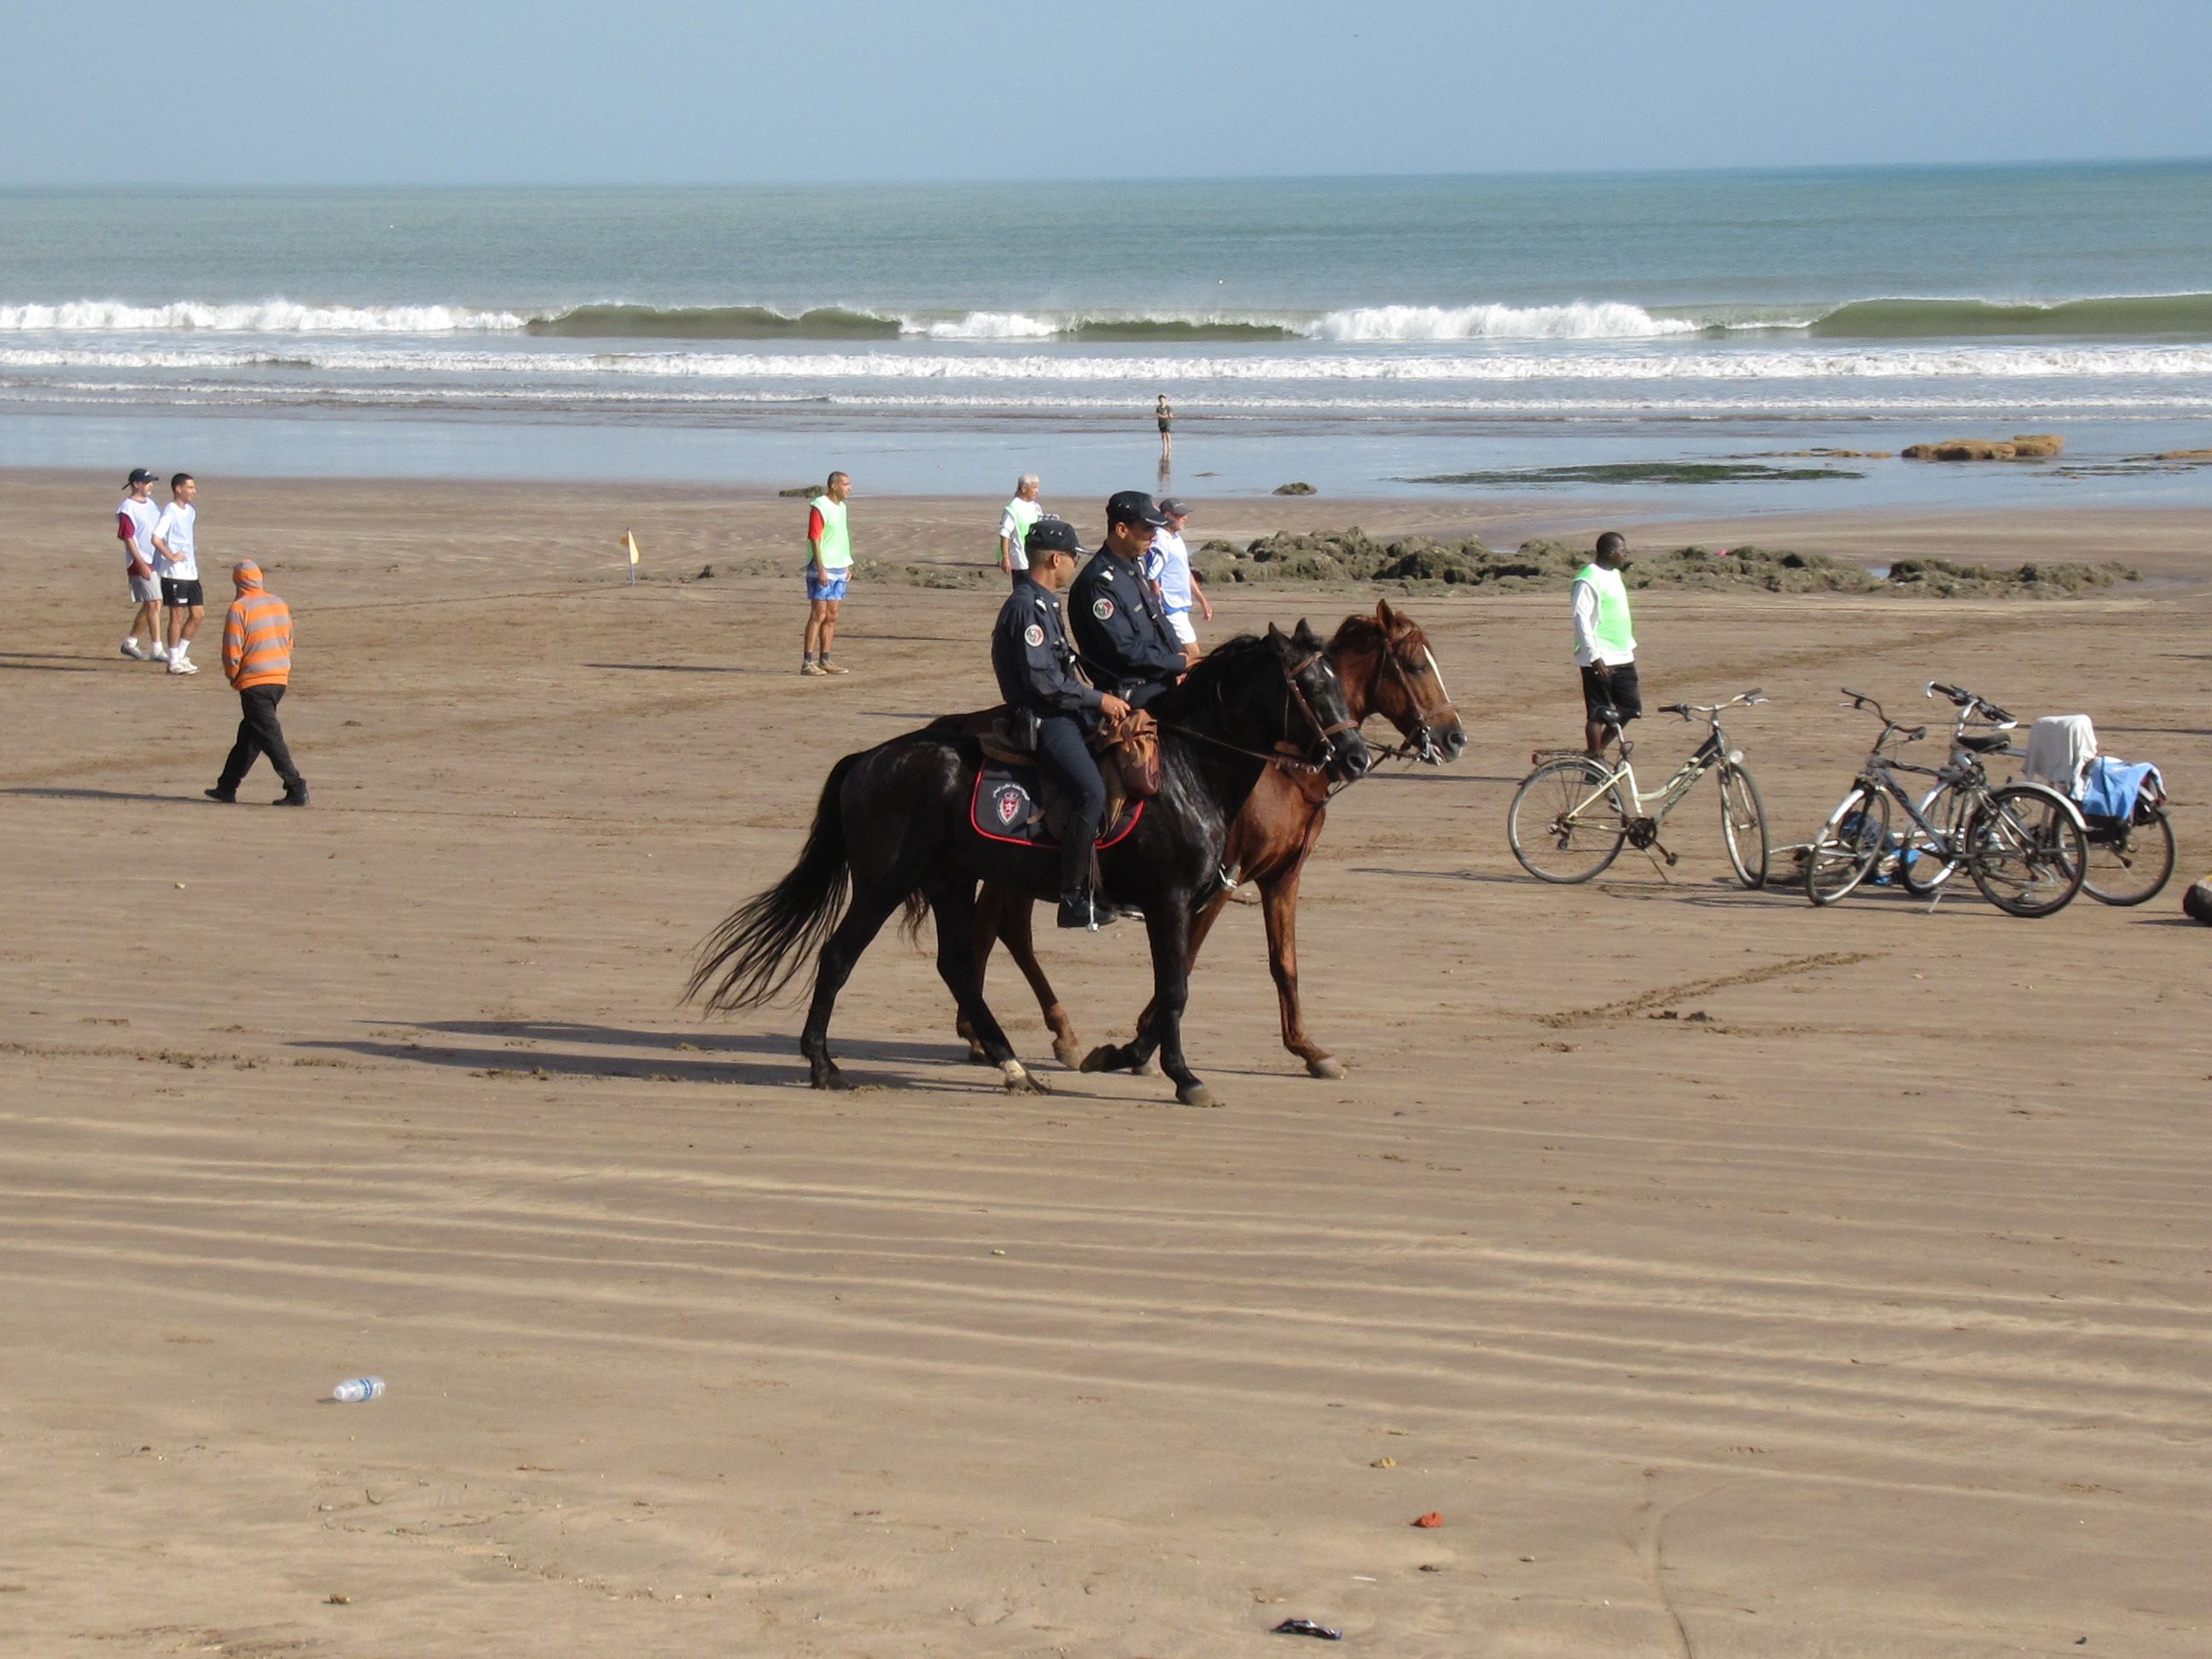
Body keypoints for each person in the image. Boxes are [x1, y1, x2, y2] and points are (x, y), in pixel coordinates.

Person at [994, 516, 1132, 931]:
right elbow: (1044, 683)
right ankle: (1073, 898)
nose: (1075, 565)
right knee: (1090, 794)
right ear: (1057, 559)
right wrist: (1098, 700)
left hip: (1064, 710)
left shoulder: (1044, 602)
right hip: (1045, 719)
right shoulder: (1025, 607)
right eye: (1073, 558)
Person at [1069, 491, 1185, 709]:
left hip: (1159, 677)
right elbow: (1126, 651)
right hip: (1130, 690)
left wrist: (1179, 655)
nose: (1154, 536)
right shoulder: (1100, 583)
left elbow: (1159, 618)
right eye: (1147, 529)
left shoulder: (1132, 566)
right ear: (1122, 530)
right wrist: (1178, 664)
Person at [206, 562, 307, 806]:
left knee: (269, 736)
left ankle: (296, 787)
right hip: (279, 678)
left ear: (237, 583)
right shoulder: (279, 603)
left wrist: (233, 676)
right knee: (251, 735)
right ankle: (227, 786)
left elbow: (232, 650)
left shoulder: (239, 608)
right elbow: (290, 640)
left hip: (255, 682)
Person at [1572, 531, 1641, 756]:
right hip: (1599, 657)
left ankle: (1595, 752)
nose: (1626, 554)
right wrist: (1594, 656)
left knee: (1631, 709)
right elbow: (1581, 619)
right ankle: (1595, 762)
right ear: (1610, 552)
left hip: (1622, 654)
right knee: (1597, 714)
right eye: (1623, 550)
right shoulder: (1587, 578)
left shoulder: (1614, 574)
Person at [1144, 497, 1214, 664]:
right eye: (1180, 515)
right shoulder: (1161, 539)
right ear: (1167, 515)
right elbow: (1153, 575)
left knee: (1179, 653)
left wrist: (1203, 601)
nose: (1185, 518)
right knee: (1194, 654)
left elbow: (1186, 573)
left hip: (1180, 605)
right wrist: (1157, 601)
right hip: (1170, 606)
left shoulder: (1177, 539)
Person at [801, 470, 853, 677]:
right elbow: (815, 538)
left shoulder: (842, 507)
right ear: (834, 486)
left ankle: (825, 659)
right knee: (818, 614)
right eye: (845, 484)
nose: (849, 488)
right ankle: (807, 661)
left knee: (832, 615)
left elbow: (841, 537)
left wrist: (847, 564)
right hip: (822, 568)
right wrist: (821, 568)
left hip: (839, 567)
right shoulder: (819, 506)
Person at [152, 472, 202, 674]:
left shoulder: (190, 511)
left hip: (191, 572)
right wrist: (171, 557)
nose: (193, 491)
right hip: (174, 573)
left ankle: (181, 654)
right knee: (177, 616)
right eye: (190, 487)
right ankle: (173, 661)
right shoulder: (169, 511)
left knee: (198, 614)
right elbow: (156, 538)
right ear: (178, 489)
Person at [115, 468, 164, 661]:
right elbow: (128, 538)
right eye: (147, 482)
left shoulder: (151, 504)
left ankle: (130, 642)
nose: (151, 485)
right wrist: (140, 562)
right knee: (154, 603)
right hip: (141, 560)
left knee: (152, 603)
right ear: (136, 484)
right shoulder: (127, 508)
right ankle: (157, 648)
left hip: (156, 559)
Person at [997, 473, 1043, 585]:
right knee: (1022, 594)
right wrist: (1005, 558)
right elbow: (1005, 534)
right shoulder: (1013, 508)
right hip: (1020, 562)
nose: (1037, 491)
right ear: (1024, 488)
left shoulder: (1035, 507)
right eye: (1034, 488)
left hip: (1034, 561)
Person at [1155, 393, 1173, 460]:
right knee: (1163, 434)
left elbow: (1170, 415)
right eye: (1160, 400)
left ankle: (1169, 445)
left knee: (1167, 433)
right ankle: (1165, 445)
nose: (1162, 401)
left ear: (1165, 400)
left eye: (1163, 399)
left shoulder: (1168, 407)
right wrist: (1162, 416)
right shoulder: (1158, 407)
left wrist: (1167, 416)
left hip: (1167, 422)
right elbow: (1158, 414)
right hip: (1161, 422)